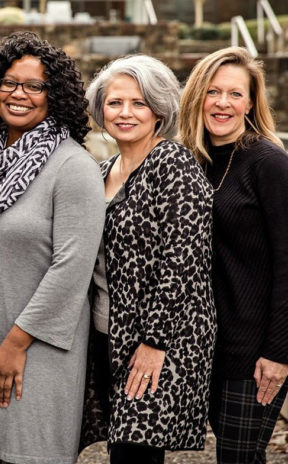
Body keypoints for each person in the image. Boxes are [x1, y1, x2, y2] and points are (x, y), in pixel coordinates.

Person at [0, 32, 104, 464]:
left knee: (32, 455)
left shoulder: (72, 167)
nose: (19, 94)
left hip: (36, 350)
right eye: (9, 82)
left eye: (35, 86)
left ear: (55, 96)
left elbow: (71, 268)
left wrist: (16, 343)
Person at [81, 55, 216, 464]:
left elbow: (183, 261)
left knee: (133, 454)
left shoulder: (173, 164)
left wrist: (153, 342)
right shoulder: (101, 171)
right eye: (115, 102)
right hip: (107, 335)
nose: (125, 112)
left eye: (139, 103)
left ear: (159, 111)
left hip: (159, 342)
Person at [179, 46, 288, 464]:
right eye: (212, 91)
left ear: (250, 103)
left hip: (255, 351)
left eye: (235, 94)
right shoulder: (192, 161)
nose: (223, 103)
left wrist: (279, 352)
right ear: (196, 97)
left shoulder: (268, 163)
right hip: (208, 345)